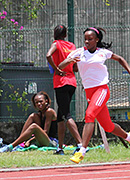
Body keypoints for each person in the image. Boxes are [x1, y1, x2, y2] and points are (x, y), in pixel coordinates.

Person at [59, 27, 130, 164]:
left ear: (97, 40)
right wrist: (69, 61)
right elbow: (60, 66)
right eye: (85, 39)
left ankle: (82, 151)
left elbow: (120, 59)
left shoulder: (103, 53)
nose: (87, 41)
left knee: (89, 115)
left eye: (90, 39)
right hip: (89, 92)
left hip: (102, 90)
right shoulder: (78, 53)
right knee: (108, 126)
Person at [46, 24, 82, 155]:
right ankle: (60, 148)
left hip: (60, 83)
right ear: (66, 34)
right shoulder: (72, 46)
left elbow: (48, 55)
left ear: (55, 34)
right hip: (71, 82)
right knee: (60, 116)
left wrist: (56, 69)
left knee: (66, 115)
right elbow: (76, 67)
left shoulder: (56, 44)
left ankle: (81, 145)